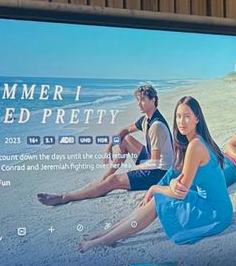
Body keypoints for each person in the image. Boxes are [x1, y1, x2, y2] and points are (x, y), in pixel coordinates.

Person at [78, 96, 233, 252]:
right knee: (157, 196)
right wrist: (164, 186)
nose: (181, 121)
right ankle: (106, 234)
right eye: (178, 116)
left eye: (187, 116)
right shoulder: (194, 142)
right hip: (218, 207)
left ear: (197, 119)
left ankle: (106, 239)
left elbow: (179, 192)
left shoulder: (195, 145)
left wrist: (154, 189)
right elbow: (173, 175)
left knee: (159, 198)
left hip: (215, 213)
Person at [37, 83, 174, 206]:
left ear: (153, 100)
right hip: (152, 162)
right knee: (125, 139)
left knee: (114, 181)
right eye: (138, 100)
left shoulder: (156, 126)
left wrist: (134, 168)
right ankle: (103, 179)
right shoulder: (146, 120)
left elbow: (155, 163)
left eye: (143, 100)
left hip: (159, 173)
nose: (139, 104)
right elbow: (125, 131)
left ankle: (64, 197)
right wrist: (109, 146)